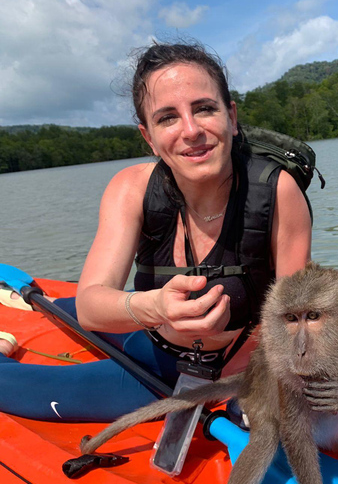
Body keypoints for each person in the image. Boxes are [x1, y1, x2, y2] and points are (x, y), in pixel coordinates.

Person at [0, 42, 312, 422]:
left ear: (231, 117)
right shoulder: (130, 188)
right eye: (168, 118)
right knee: (46, 340)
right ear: (148, 136)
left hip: (232, 366)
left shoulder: (277, 191)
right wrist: (156, 307)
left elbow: (296, 320)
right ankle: (39, 305)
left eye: (204, 108)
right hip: (153, 342)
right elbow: (90, 307)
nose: (191, 130)